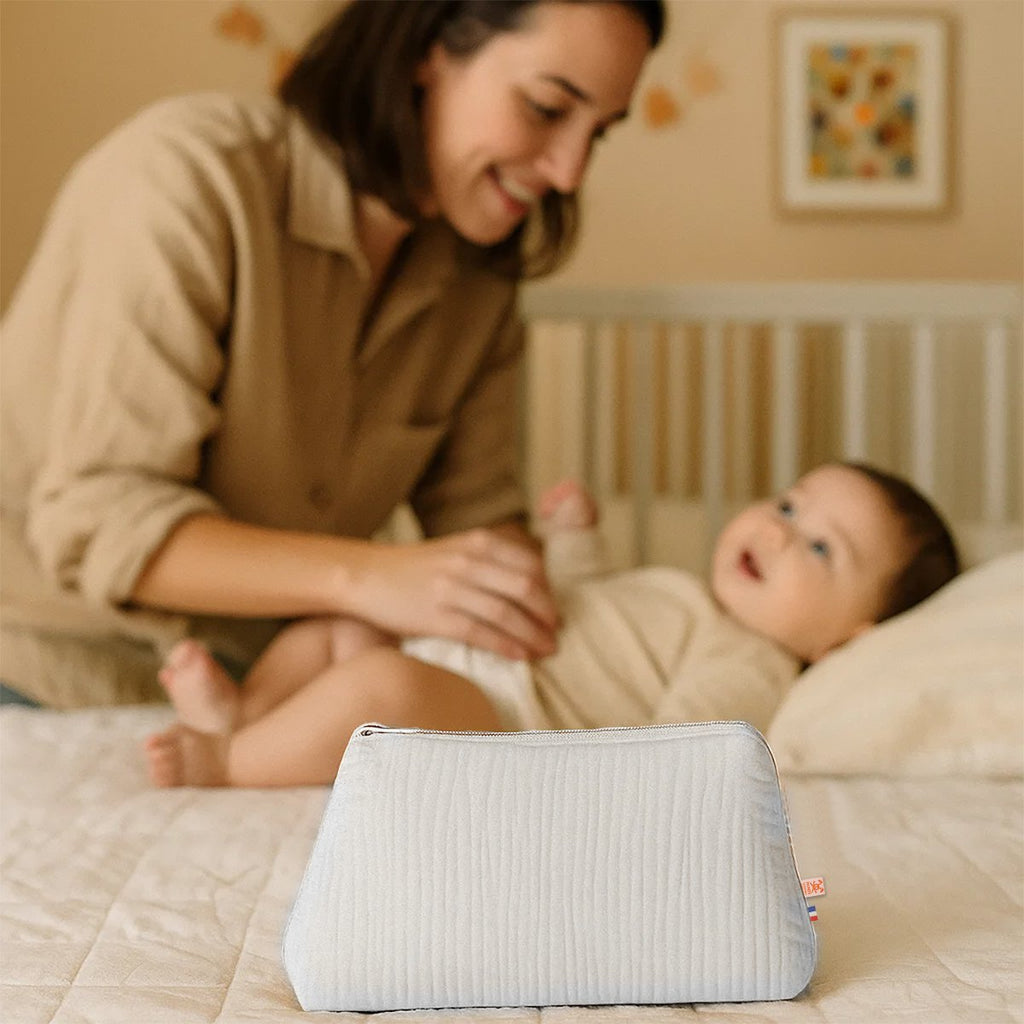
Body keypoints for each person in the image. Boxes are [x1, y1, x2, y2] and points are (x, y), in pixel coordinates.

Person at [0, 1, 665, 709]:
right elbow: (102, 521)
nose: (569, 173)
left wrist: (566, 597)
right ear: (429, 48)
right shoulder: (191, 176)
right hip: (42, 660)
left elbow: (475, 520)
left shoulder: (478, 287)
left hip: (259, 684)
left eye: (599, 133)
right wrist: (370, 578)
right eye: (545, 108)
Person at [144, 460, 961, 787]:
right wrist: (574, 542)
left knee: (381, 686)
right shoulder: (684, 591)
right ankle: (249, 710)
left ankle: (230, 761)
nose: (778, 532)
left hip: (506, 718)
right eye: (787, 505)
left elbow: (681, 747)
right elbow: (583, 606)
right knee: (339, 627)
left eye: (820, 547)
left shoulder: (750, 661)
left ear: (847, 639)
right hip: (477, 656)